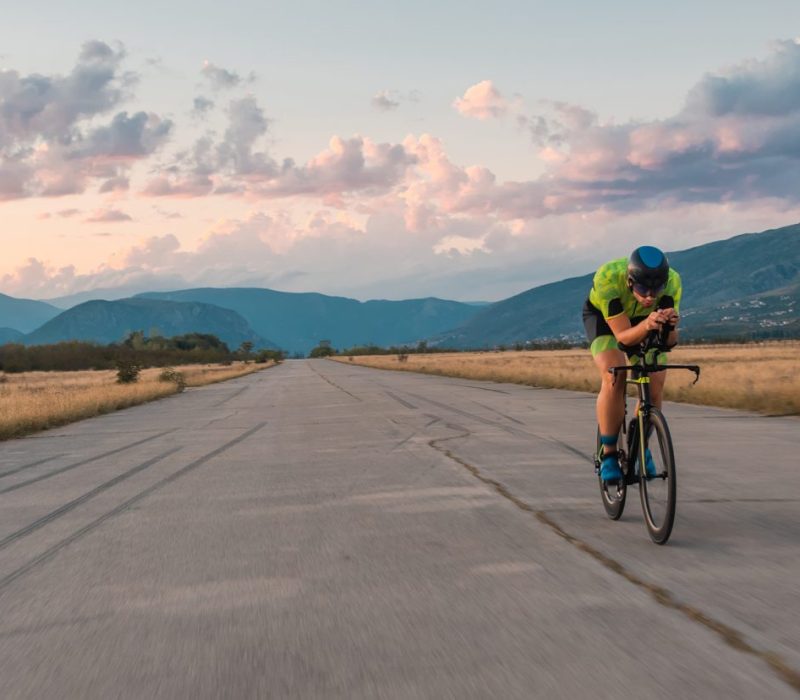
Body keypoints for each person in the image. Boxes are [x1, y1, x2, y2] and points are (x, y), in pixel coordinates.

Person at [582, 246, 681, 483]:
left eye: (655, 290)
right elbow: (623, 338)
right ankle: (609, 454)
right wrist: (648, 325)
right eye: (641, 289)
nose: (649, 296)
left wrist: (670, 327)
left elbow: (670, 343)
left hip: (647, 321)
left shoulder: (673, 282)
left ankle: (640, 446)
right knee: (613, 376)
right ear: (629, 281)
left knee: (655, 385)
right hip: (606, 321)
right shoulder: (608, 277)